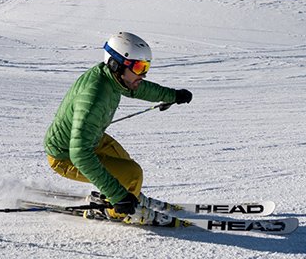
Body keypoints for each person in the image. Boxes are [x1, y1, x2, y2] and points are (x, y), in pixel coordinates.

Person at [43, 32, 193, 225]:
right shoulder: (94, 98)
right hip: (65, 155)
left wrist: (172, 95)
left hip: (92, 139)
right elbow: (79, 154)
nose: (144, 74)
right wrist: (117, 195)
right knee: (132, 174)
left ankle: (129, 194)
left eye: (146, 67)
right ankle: (114, 211)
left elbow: (140, 88)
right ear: (116, 64)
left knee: (124, 163)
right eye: (139, 67)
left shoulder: (112, 77)